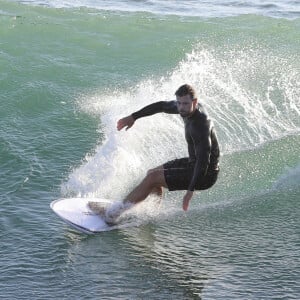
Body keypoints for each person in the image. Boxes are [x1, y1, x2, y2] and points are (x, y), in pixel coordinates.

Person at [89, 84, 220, 224]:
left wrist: (190, 191)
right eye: (179, 103)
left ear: (194, 102)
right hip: (194, 162)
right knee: (152, 173)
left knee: (152, 178)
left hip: (205, 174)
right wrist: (133, 117)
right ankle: (150, 212)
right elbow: (161, 106)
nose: (181, 108)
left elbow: (203, 161)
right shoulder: (184, 108)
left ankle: (112, 215)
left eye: (186, 104)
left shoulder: (201, 126)